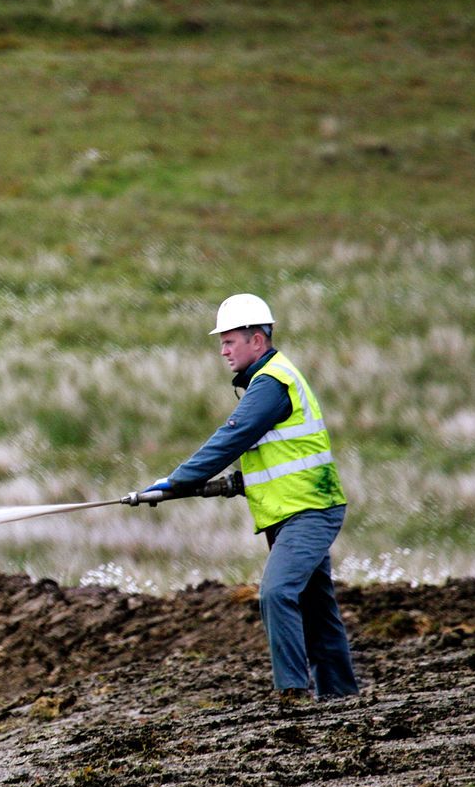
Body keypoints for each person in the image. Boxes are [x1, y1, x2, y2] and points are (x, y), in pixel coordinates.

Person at [143, 294, 358, 704]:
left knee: (276, 593)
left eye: (229, 341)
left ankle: (292, 692)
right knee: (317, 607)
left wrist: (175, 483)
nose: (222, 351)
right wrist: (227, 484)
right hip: (297, 509)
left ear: (256, 340)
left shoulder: (271, 384)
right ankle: (341, 697)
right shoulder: (270, 381)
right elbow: (279, 458)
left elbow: (231, 438)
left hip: (308, 511)